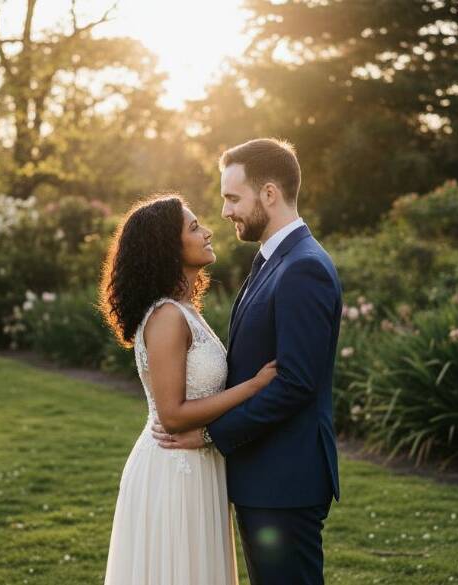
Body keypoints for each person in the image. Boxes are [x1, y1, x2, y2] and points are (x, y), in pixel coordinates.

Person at [153, 138, 343, 585]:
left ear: (270, 194)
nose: (225, 212)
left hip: (285, 479)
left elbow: (295, 382)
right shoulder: (272, 261)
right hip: (265, 476)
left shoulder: (303, 268)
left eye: (233, 198)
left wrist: (211, 435)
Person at [100, 194, 277, 585]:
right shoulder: (166, 317)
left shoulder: (184, 311)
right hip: (173, 467)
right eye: (194, 227)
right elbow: (173, 415)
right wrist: (253, 386)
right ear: (168, 247)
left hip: (200, 463)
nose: (208, 231)